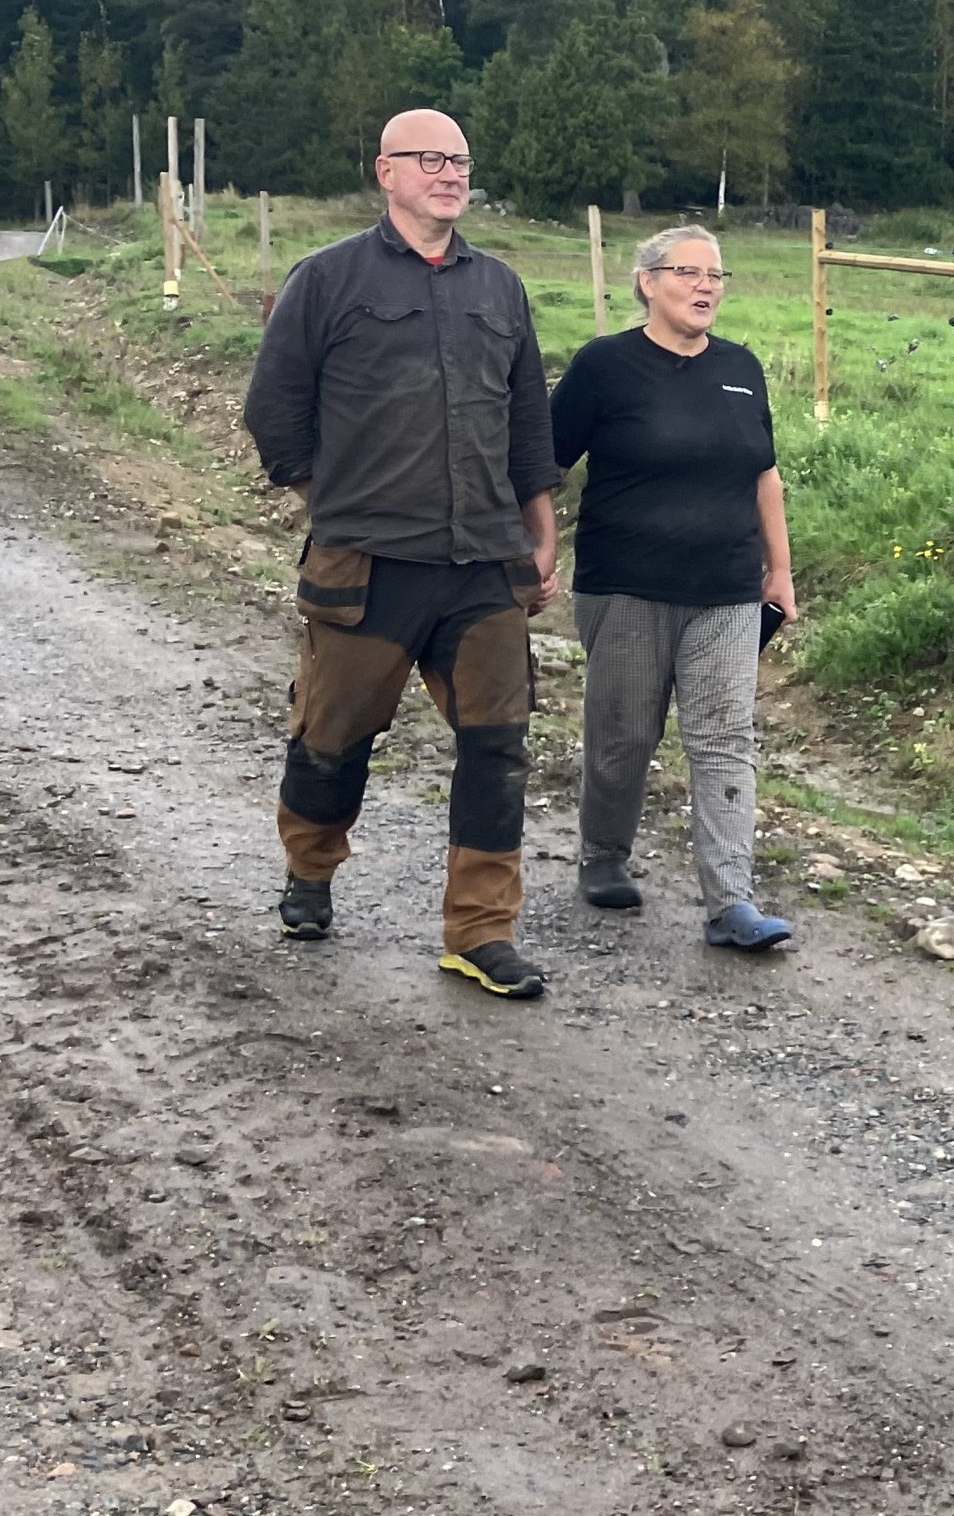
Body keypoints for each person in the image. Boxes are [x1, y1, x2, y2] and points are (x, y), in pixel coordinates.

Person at [241, 109, 563, 1000]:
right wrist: (335, 502)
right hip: (367, 567)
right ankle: (310, 871)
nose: (451, 173)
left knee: (498, 748)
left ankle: (480, 931)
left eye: (461, 160)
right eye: (431, 159)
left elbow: (528, 424)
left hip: (484, 566)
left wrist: (541, 533)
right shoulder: (328, 279)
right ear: (386, 172)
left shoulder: (499, 287)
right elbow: (275, 410)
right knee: (333, 738)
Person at [548, 226, 797, 951]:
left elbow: (765, 475)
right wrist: (534, 546)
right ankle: (604, 853)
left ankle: (731, 901)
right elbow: (543, 464)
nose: (705, 286)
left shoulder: (742, 368)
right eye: (688, 272)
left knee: (723, 737)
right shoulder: (603, 366)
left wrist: (779, 572)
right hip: (626, 585)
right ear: (647, 282)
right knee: (625, 732)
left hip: (727, 589)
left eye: (716, 275)